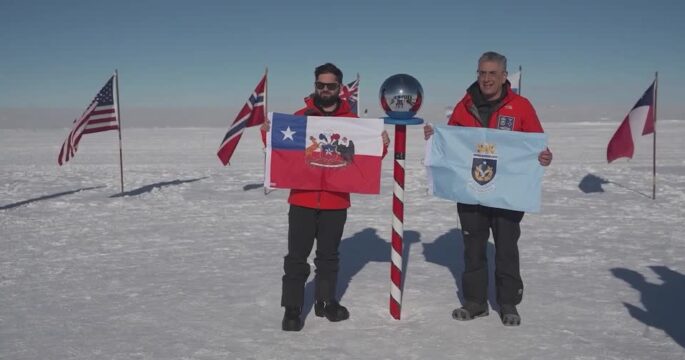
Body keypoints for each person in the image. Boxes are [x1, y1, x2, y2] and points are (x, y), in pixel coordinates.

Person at [424, 51, 553, 326]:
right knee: (473, 248)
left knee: (506, 248)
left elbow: (536, 146)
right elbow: (453, 143)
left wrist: (544, 156)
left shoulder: (521, 107)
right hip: (471, 191)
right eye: (482, 73)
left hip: (507, 194)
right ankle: (475, 302)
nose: (486, 78)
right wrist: (436, 138)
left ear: (504, 76)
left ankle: (508, 303)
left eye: (492, 73)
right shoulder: (464, 105)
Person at [261, 63, 390, 331]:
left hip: (336, 202)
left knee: (329, 256)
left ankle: (325, 300)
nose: (325, 89)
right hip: (302, 201)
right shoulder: (300, 117)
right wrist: (268, 132)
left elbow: (363, 161)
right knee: (296, 257)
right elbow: (283, 152)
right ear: (315, 85)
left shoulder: (353, 124)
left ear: (339, 89)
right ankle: (293, 307)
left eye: (331, 86)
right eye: (320, 85)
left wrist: (381, 145)